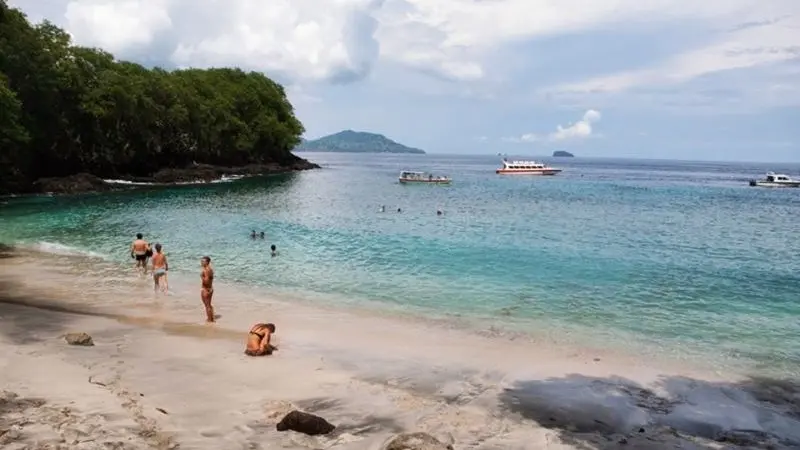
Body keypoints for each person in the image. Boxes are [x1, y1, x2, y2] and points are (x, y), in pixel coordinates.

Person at [200, 256, 215, 323]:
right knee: (208, 305)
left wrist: (201, 277)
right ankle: (211, 318)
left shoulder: (206, 270)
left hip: (206, 289)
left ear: (207, 262)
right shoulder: (209, 269)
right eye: (201, 261)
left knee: (207, 305)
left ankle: (210, 320)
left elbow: (206, 281)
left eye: (203, 261)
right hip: (210, 288)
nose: (201, 262)